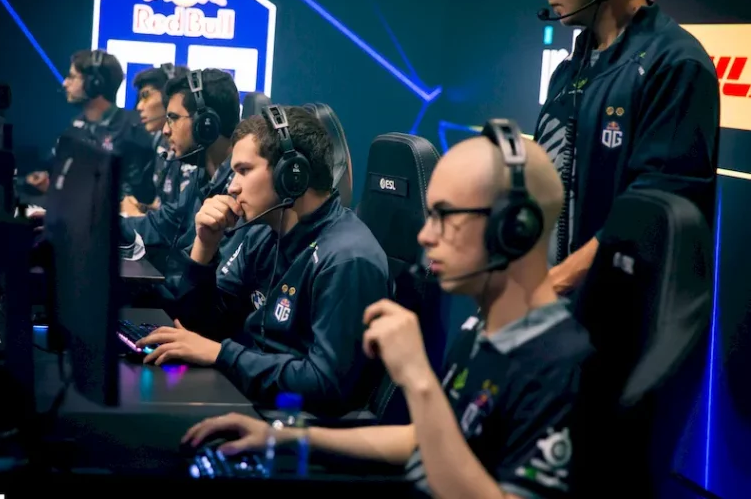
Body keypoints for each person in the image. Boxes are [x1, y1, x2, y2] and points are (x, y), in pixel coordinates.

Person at [182, 122, 596, 498]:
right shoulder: (481, 332)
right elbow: (425, 440)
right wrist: (284, 436)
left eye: (444, 215)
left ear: (513, 228)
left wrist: (418, 379)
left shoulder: (561, 368)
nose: (426, 236)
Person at [136, 106, 390, 416]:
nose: (232, 186)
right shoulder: (263, 233)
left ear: (291, 175)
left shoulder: (346, 258)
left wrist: (221, 354)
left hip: (293, 423)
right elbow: (198, 328)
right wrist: (205, 245)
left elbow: (327, 385)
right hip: (249, 396)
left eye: (244, 170)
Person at [536, 0, 719, 295]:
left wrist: (548, 289)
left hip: (608, 321)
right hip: (547, 312)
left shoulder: (675, 65)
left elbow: (652, 215)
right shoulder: (569, 71)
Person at [122, 68, 241, 269]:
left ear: (206, 124)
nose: (165, 130)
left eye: (173, 118)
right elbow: (159, 225)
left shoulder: (239, 190)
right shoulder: (204, 177)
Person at [26, 49, 156, 205]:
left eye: (72, 77)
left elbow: (137, 196)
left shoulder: (133, 130)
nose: (65, 83)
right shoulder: (77, 126)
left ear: (95, 83)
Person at [125, 62, 194, 214]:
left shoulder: (191, 147)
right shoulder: (159, 140)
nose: (139, 106)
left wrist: (136, 216)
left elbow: (183, 220)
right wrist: (143, 207)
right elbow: (162, 206)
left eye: (146, 96)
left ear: (168, 96)